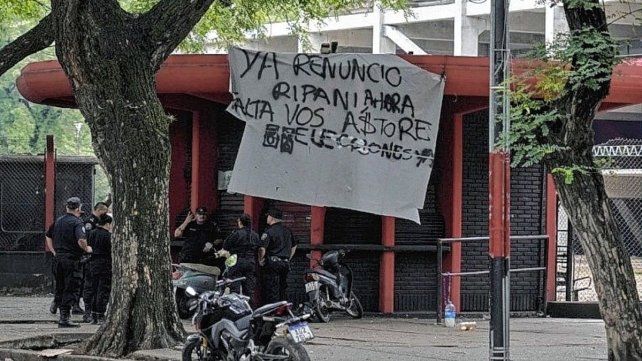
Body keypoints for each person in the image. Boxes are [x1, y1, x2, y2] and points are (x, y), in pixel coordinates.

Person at [48, 197, 92, 328]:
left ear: (66, 207)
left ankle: (58, 307)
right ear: (78, 208)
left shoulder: (58, 221)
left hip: (58, 259)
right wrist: (87, 248)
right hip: (72, 260)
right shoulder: (77, 223)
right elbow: (81, 240)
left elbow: (48, 236)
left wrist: (54, 251)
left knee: (60, 286)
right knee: (71, 288)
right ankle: (64, 318)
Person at [258, 208, 297, 305]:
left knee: (272, 288)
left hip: (273, 264)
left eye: (268, 216)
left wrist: (260, 260)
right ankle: (283, 310)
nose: (267, 218)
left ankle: (273, 311)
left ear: (272, 218)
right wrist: (288, 257)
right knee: (283, 288)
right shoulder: (288, 231)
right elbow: (294, 245)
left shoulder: (269, 232)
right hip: (285, 263)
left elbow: (262, 248)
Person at [220, 214, 259, 306]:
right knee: (249, 290)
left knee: (235, 288)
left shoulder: (236, 234)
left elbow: (225, 247)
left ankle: (236, 309)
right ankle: (251, 310)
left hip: (236, 261)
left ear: (240, 222)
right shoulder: (255, 235)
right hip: (250, 262)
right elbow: (259, 248)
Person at [79, 202, 109, 322]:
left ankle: (89, 312)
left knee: (90, 287)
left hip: (91, 262)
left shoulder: (91, 232)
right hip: (102, 263)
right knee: (101, 288)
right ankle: (97, 313)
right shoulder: (90, 223)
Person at [87, 214, 113, 324]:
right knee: (103, 289)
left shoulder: (92, 233)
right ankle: (101, 314)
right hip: (105, 263)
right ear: (107, 224)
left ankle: (93, 315)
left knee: (94, 289)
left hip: (93, 262)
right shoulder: (108, 236)